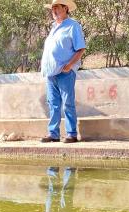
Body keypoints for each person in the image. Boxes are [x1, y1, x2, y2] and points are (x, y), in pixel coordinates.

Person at [40, 0, 86, 143]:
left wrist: (69, 65)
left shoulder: (73, 26)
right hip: (50, 73)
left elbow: (81, 49)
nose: (54, 11)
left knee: (68, 103)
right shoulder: (53, 27)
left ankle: (71, 134)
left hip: (65, 72)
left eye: (57, 8)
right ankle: (53, 134)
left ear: (65, 8)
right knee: (53, 104)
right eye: (52, 8)